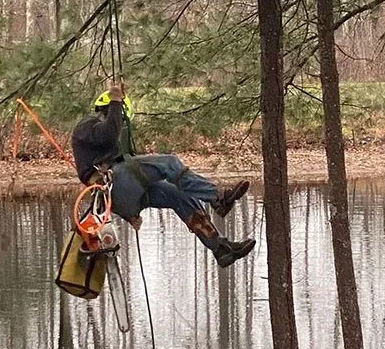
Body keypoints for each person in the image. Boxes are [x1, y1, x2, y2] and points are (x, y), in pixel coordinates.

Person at [71, 82, 256, 268]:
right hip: (114, 184)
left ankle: (221, 249)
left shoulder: (104, 142)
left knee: (180, 196)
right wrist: (116, 100)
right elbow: (109, 134)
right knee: (168, 163)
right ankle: (218, 197)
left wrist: (129, 214)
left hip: (118, 193)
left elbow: (112, 141)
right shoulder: (87, 125)